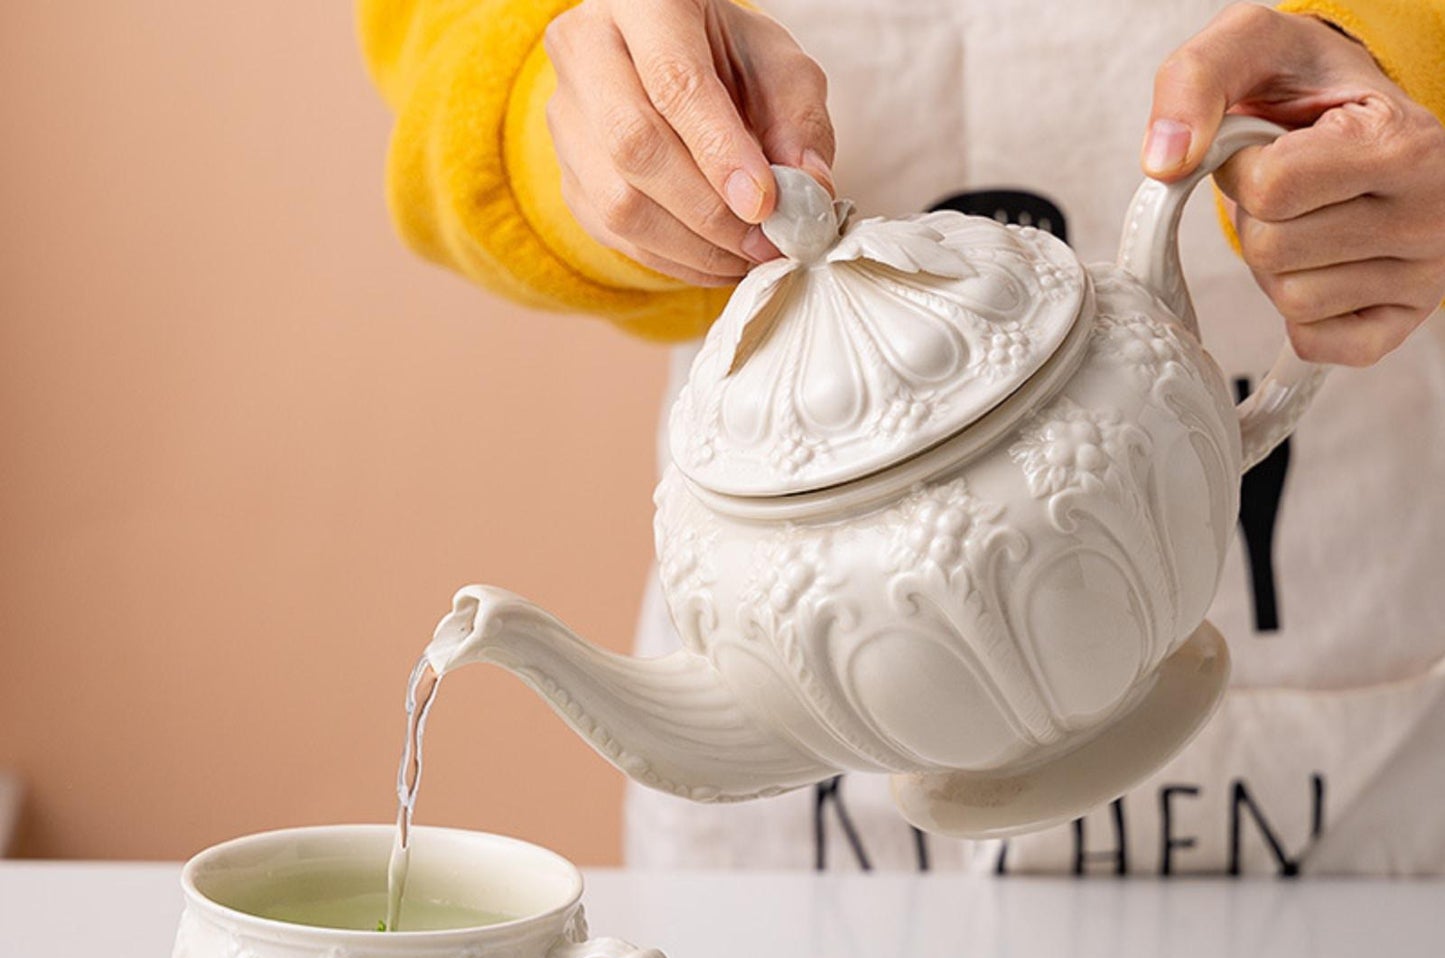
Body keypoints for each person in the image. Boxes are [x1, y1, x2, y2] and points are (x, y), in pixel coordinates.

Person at [358, 0, 1445, 875]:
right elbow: (444, 40)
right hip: (806, 871)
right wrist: (584, 132)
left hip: (1352, 778)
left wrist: (1402, 77)